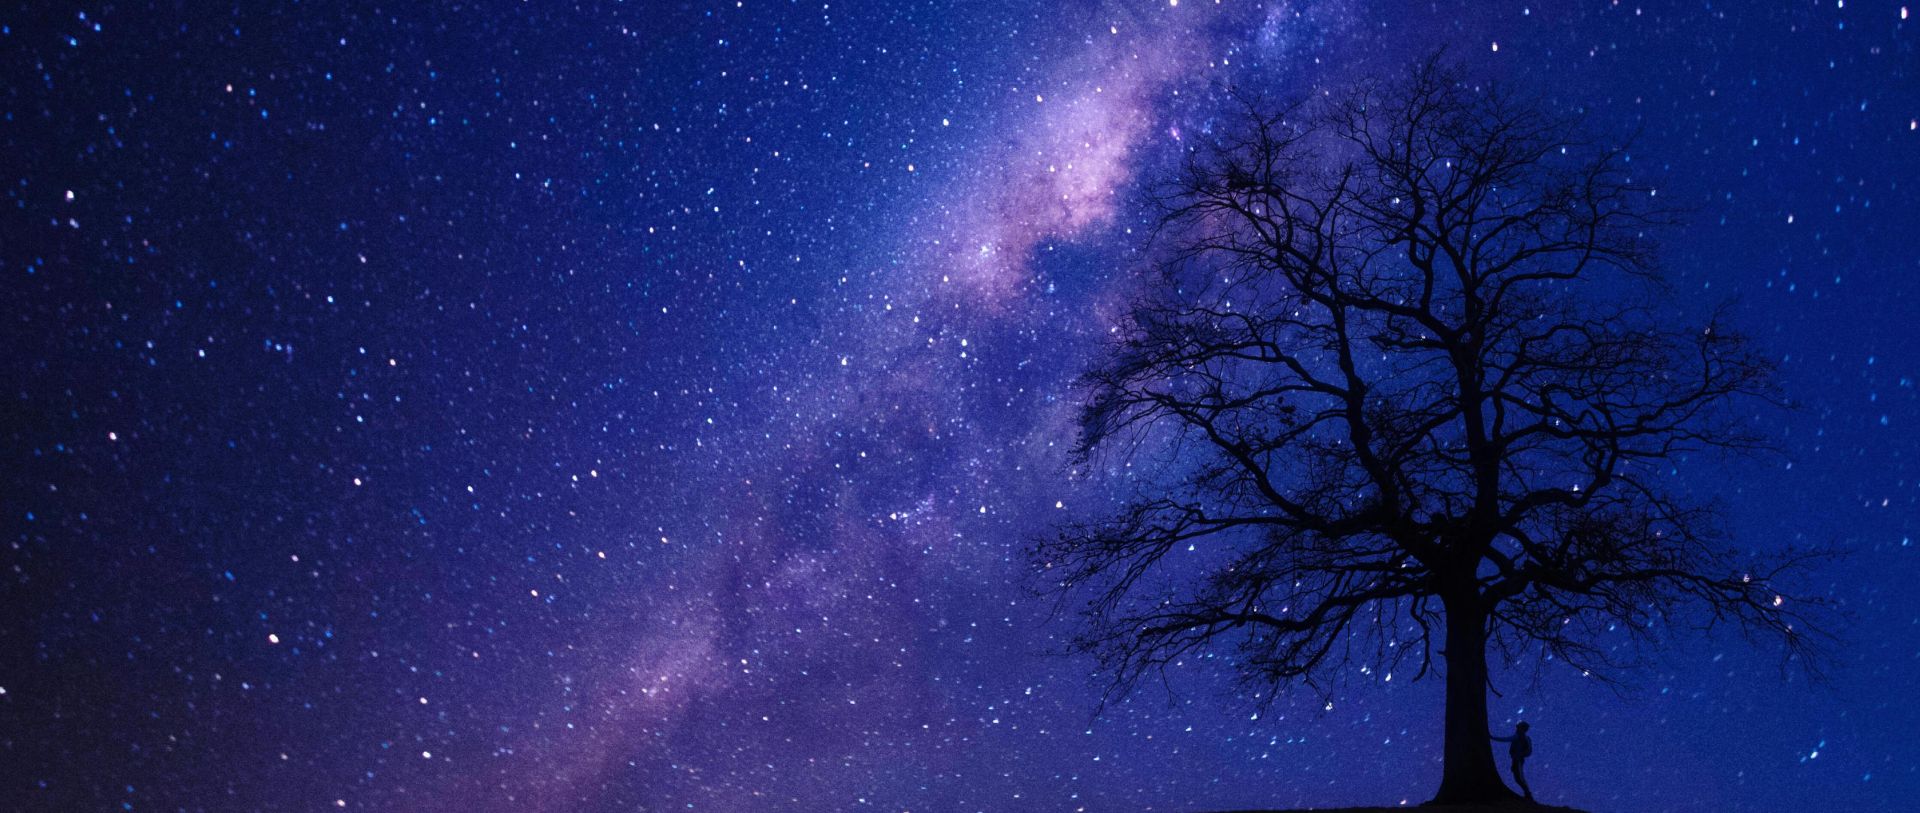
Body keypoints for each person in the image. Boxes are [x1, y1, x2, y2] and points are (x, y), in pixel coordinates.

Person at [1490, 721, 1534, 800]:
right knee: (1518, 777)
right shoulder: (1523, 738)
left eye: (1518, 727)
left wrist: (1493, 738)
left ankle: (1528, 794)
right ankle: (1527, 794)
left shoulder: (1519, 737)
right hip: (1517, 759)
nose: (1516, 729)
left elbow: (1506, 739)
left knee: (1519, 777)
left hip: (1518, 759)